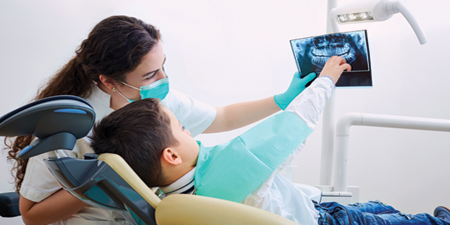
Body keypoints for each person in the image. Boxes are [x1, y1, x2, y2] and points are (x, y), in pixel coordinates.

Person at [4, 15, 316, 224]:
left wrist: (281, 100)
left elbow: (221, 117)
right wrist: (102, 180)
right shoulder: (68, 128)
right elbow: (31, 215)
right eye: (151, 74)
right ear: (109, 81)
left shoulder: (156, 101)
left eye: (163, 66)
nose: (164, 79)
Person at [91, 56, 450, 225]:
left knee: (382, 208)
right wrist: (325, 79)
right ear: (171, 155)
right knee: (421, 221)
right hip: (324, 221)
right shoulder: (231, 171)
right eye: (183, 129)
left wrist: (280, 96)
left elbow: (225, 117)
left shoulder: (163, 200)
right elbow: (291, 127)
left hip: (311, 209)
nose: (190, 131)